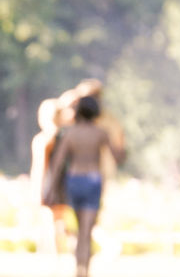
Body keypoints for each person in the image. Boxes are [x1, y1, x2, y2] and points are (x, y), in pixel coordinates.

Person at [48, 95, 126, 277]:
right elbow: (118, 157)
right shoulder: (100, 133)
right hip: (92, 181)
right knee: (86, 230)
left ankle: (79, 268)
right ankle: (84, 269)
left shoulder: (70, 134)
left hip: (74, 181)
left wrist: (52, 188)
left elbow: (58, 162)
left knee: (78, 229)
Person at [30, 98, 69, 254]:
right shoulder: (66, 138)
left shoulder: (42, 140)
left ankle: (54, 259)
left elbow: (40, 167)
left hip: (48, 185)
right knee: (60, 223)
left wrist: (36, 190)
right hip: (63, 184)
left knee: (49, 225)